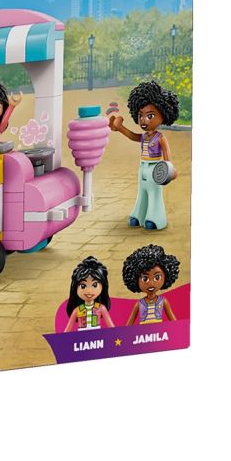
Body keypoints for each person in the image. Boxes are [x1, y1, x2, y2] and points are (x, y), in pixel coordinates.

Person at [109, 81, 180, 230]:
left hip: (155, 169)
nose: (143, 120)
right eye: (140, 115)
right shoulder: (144, 136)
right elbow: (132, 136)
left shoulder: (160, 137)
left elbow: (167, 156)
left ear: (163, 114)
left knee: (154, 194)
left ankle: (155, 218)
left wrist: (170, 169)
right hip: (142, 168)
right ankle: (139, 214)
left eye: (150, 116)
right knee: (142, 192)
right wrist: (120, 128)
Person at [122, 244, 180, 325]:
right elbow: (129, 324)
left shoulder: (163, 301)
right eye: (145, 279)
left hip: (158, 331)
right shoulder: (139, 304)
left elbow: (174, 321)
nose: (151, 283)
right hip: (143, 332)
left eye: (157, 277)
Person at [64, 257, 115, 332]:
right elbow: (67, 331)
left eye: (95, 285)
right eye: (83, 286)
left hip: (97, 337)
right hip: (81, 337)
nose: (89, 291)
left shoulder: (101, 308)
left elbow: (112, 328)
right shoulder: (77, 310)